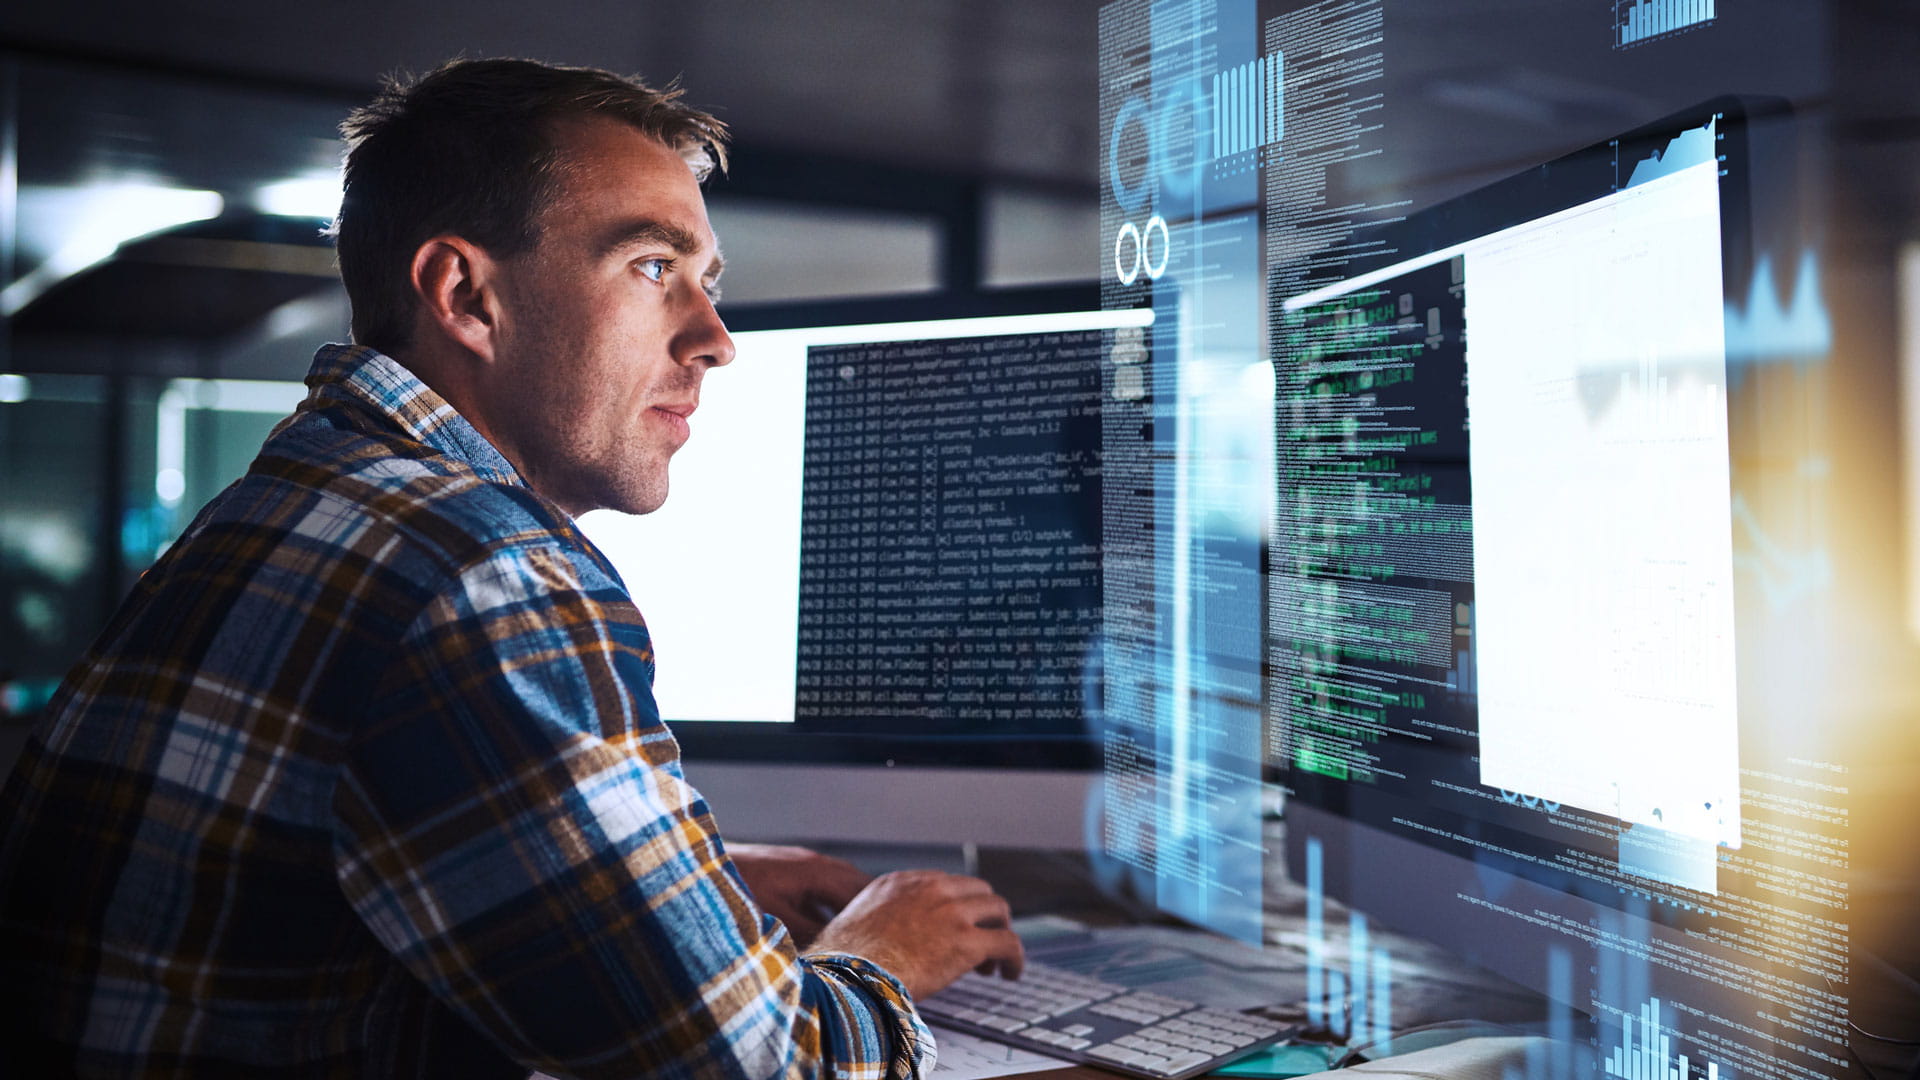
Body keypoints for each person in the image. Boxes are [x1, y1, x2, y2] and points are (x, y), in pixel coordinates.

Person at [0, 58, 1023, 1079]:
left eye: (708, 283)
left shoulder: (312, 496)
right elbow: (759, 1066)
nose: (716, 340)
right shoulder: (484, 571)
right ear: (466, 296)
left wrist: (692, 883)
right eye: (652, 267)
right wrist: (880, 950)